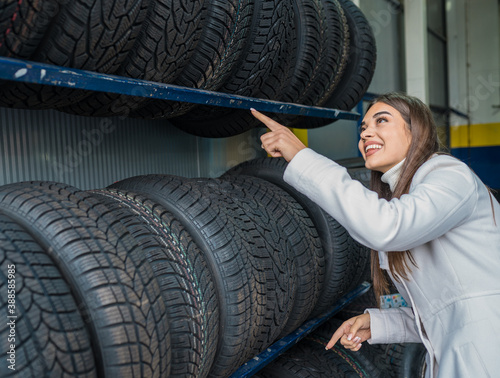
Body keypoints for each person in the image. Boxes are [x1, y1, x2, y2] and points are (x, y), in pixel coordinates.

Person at [251, 92, 500, 378]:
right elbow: (443, 310)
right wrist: (379, 324)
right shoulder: (406, 198)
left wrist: (302, 156)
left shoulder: (449, 175)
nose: (367, 132)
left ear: (416, 130)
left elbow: (384, 227)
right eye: (363, 128)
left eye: (381, 120)